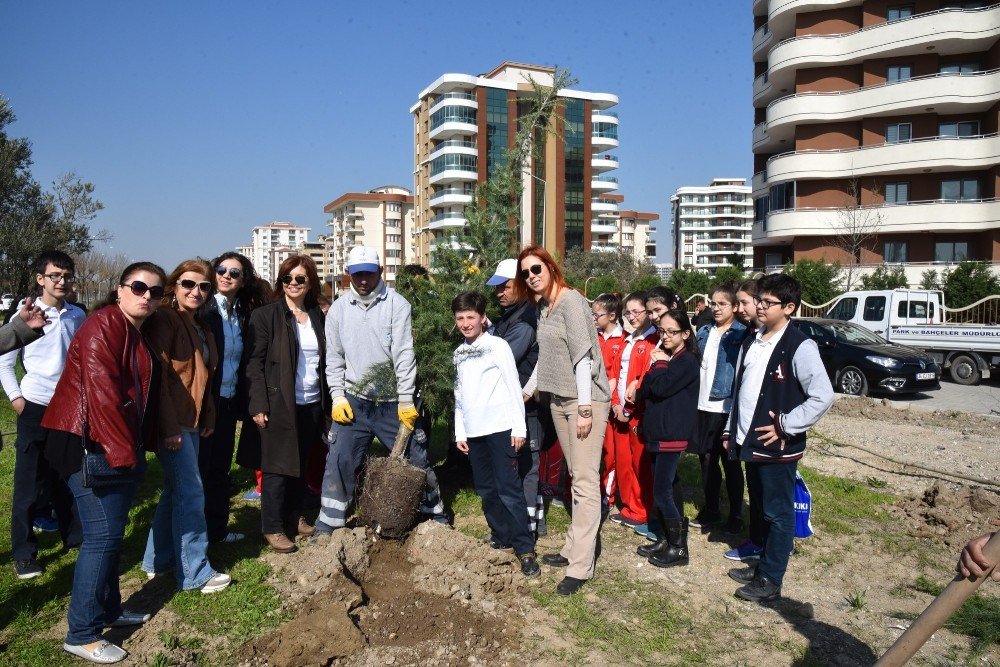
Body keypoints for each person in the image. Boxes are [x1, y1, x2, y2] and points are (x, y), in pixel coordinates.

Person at [41, 262, 166, 664]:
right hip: (87, 443)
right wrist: (124, 455)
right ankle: (82, 632)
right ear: (119, 289)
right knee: (103, 537)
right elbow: (102, 396)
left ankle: (110, 610)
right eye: (139, 287)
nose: (147, 296)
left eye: (155, 292)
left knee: (111, 532)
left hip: (107, 443)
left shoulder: (129, 329)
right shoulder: (105, 326)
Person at [316, 246, 444, 534]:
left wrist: (406, 400)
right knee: (340, 460)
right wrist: (337, 396)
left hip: (392, 404)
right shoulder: (338, 310)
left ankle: (434, 518)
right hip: (354, 403)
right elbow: (334, 358)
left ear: (380, 272)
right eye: (357, 274)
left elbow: (403, 354)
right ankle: (329, 525)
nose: (363, 280)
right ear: (348, 274)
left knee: (416, 461)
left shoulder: (397, 305)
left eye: (369, 274)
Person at [725, 273, 834, 602]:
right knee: (758, 506)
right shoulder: (754, 338)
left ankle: (771, 578)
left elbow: (822, 396)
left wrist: (787, 425)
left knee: (778, 512)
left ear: (789, 307)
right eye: (759, 300)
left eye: (767, 302)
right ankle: (761, 559)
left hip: (776, 446)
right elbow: (741, 389)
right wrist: (732, 429)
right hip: (749, 441)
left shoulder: (799, 346)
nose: (759, 306)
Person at [515, 245, 611, 596]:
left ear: (550, 267)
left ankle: (581, 566)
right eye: (525, 273)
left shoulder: (571, 301)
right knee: (577, 477)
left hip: (584, 402)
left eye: (536, 269)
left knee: (585, 482)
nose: (532, 277)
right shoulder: (544, 307)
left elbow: (583, 357)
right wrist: (527, 391)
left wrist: (585, 409)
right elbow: (551, 359)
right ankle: (573, 547)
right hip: (558, 400)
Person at [141, 260, 230, 594]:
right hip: (173, 424)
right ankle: (194, 572)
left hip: (191, 423)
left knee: (175, 490)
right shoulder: (166, 320)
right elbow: (160, 377)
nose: (196, 291)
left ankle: (157, 559)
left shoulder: (201, 325)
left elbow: (203, 377)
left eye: (204, 286)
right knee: (192, 493)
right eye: (188, 284)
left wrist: (207, 417)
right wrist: (169, 428)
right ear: (174, 287)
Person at [1, 250, 86, 579]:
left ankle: (74, 536)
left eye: (67, 276)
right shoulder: (25, 316)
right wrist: (17, 399)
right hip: (34, 405)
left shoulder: (77, 315)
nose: (62, 281)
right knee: (29, 481)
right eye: (55, 276)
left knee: (68, 476)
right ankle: (24, 552)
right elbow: (5, 362)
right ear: (41, 279)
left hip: (68, 409)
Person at [244, 255, 327, 553]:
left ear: (310, 283)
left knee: (301, 463)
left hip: (312, 401)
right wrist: (258, 403)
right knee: (277, 467)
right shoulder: (266, 316)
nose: (293, 283)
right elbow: (254, 363)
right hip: (279, 402)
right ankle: (272, 526)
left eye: (300, 279)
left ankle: (294, 516)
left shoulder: (317, 315)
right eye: (287, 278)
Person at [452, 291, 538, 576]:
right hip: (475, 432)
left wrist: (519, 427)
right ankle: (500, 536)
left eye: (470, 318)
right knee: (486, 489)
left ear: (482, 318)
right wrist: (460, 431)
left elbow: (514, 387)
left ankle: (524, 547)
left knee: (508, 489)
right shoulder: (459, 353)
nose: (465, 324)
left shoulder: (497, 346)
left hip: (501, 428)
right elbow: (460, 395)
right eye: (460, 318)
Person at [200, 252, 266, 544]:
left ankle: (215, 530)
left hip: (227, 403)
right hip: (204, 403)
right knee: (198, 472)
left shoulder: (240, 313)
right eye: (221, 269)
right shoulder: (203, 309)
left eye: (234, 273)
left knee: (219, 470)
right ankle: (189, 536)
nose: (226, 275)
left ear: (243, 281)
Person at [628, 308, 700, 567]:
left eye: (672, 332)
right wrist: (657, 367)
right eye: (662, 331)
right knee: (665, 488)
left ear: (685, 333)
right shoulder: (669, 358)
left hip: (671, 433)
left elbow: (661, 386)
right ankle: (666, 538)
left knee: (662, 492)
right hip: (658, 431)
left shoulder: (686, 361)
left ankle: (679, 548)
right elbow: (646, 389)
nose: (666, 336)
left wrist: (658, 364)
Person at [487, 259, 544, 538]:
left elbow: (503, 358)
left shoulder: (524, 320)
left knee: (526, 466)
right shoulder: (511, 315)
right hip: (513, 402)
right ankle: (534, 520)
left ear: (520, 286)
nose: (500, 293)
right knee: (521, 465)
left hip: (525, 404)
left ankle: (527, 527)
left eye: (505, 287)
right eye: (496, 288)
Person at [692, 283, 747, 534]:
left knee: (731, 462)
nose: (716, 308)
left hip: (725, 406)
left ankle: (736, 514)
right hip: (701, 405)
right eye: (713, 303)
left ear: (735, 307)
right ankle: (711, 508)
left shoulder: (741, 334)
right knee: (706, 460)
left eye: (722, 304)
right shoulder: (704, 331)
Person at [608, 291, 659, 539]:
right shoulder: (628, 339)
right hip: (620, 411)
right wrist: (616, 404)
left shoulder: (653, 340)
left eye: (637, 311)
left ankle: (642, 509)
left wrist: (630, 407)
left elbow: (646, 378)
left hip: (638, 414)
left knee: (641, 465)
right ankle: (629, 505)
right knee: (624, 462)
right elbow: (617, 375)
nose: (632, 316)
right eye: (628, 312)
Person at [725, 277, 766, 563]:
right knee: (756, 488)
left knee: (768, 495)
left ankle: (769, 543)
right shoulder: (750, 335)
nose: (739, 308)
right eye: (737, 303)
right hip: (744, 426)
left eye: (743, 303)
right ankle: (757, 539)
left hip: (767, 430)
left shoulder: (778, 339)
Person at [592, 292, 625, 516]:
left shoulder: (623, 340)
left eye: (597, 314)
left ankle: (607, 496)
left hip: (611, 406)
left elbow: (617, 375)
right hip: (591, 402)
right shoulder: (594, 337)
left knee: (611, 455)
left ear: (612, 315)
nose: (594, 318)